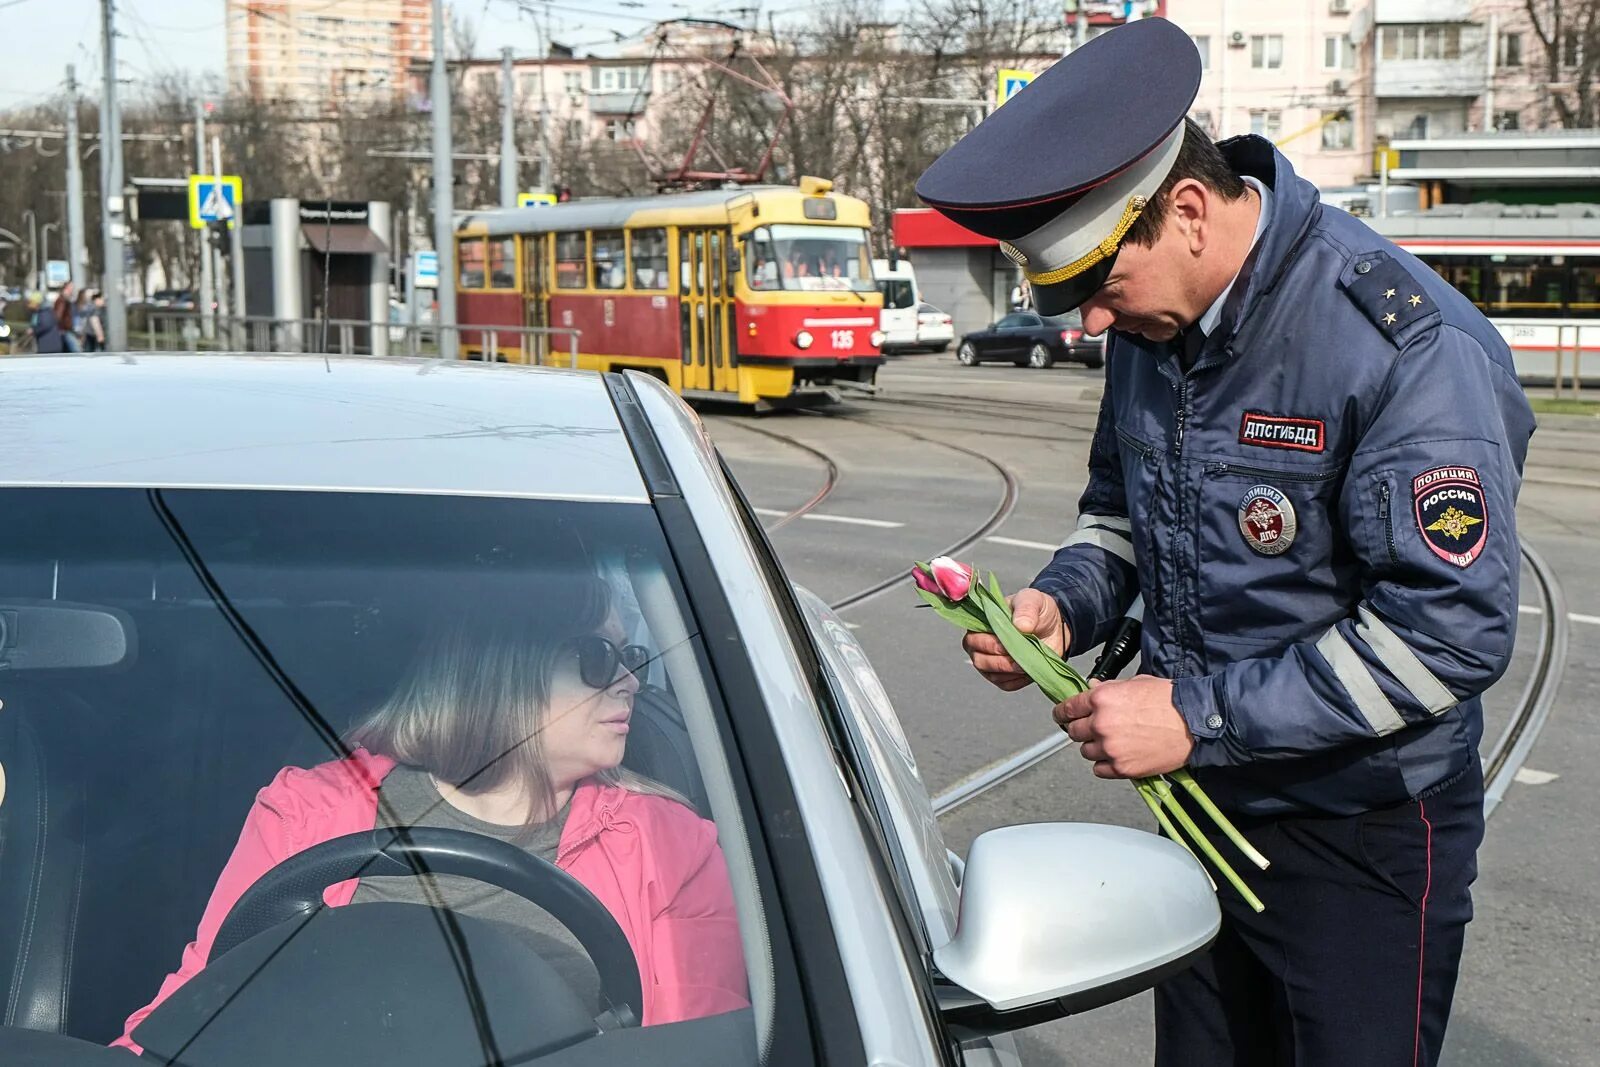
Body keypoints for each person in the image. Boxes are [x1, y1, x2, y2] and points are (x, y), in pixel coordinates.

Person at [919, 18, 1532, 1067]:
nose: (1095, 327)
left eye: (1103, 287)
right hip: (1204, 808)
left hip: (1358, 828)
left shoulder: (1400, 344)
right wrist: (1066, 604)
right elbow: (1120, 510)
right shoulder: (1157, 328)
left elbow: (1448, 632)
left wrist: (1194, 715)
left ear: (1188, 211)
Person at [113, 575, 748, 1052]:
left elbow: (694, 1048)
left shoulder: (672, 845)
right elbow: (198, 1010)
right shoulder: (305, 811)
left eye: (629, 657)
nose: (630, 682)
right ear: (502, 669)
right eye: (598, 657)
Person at [53, 281, 82, 353]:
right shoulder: (62, 300)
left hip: (66, 329)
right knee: (77, 352)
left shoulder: (66, 299)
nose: (73, 289)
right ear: (67, 288)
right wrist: (62, 327)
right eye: (71, 287)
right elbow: (58, 316)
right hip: (65, 330)